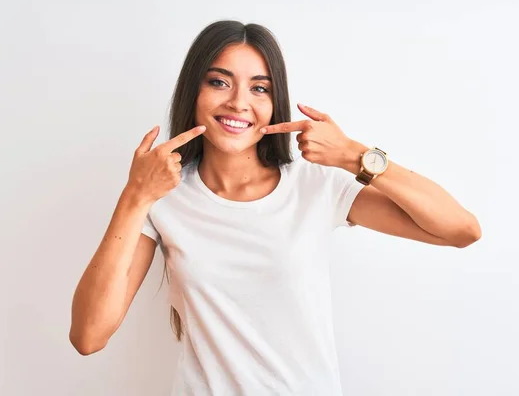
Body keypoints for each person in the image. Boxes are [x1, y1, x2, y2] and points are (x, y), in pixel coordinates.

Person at [69, 20, 481, 395]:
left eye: (259, 88)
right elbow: (88, 336)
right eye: (219, 82)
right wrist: (134, 196)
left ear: (275, 100)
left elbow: (461, 230)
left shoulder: (316, 184)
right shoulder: (164, 197)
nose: (238, 102)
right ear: (193, 91)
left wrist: (355, 155)